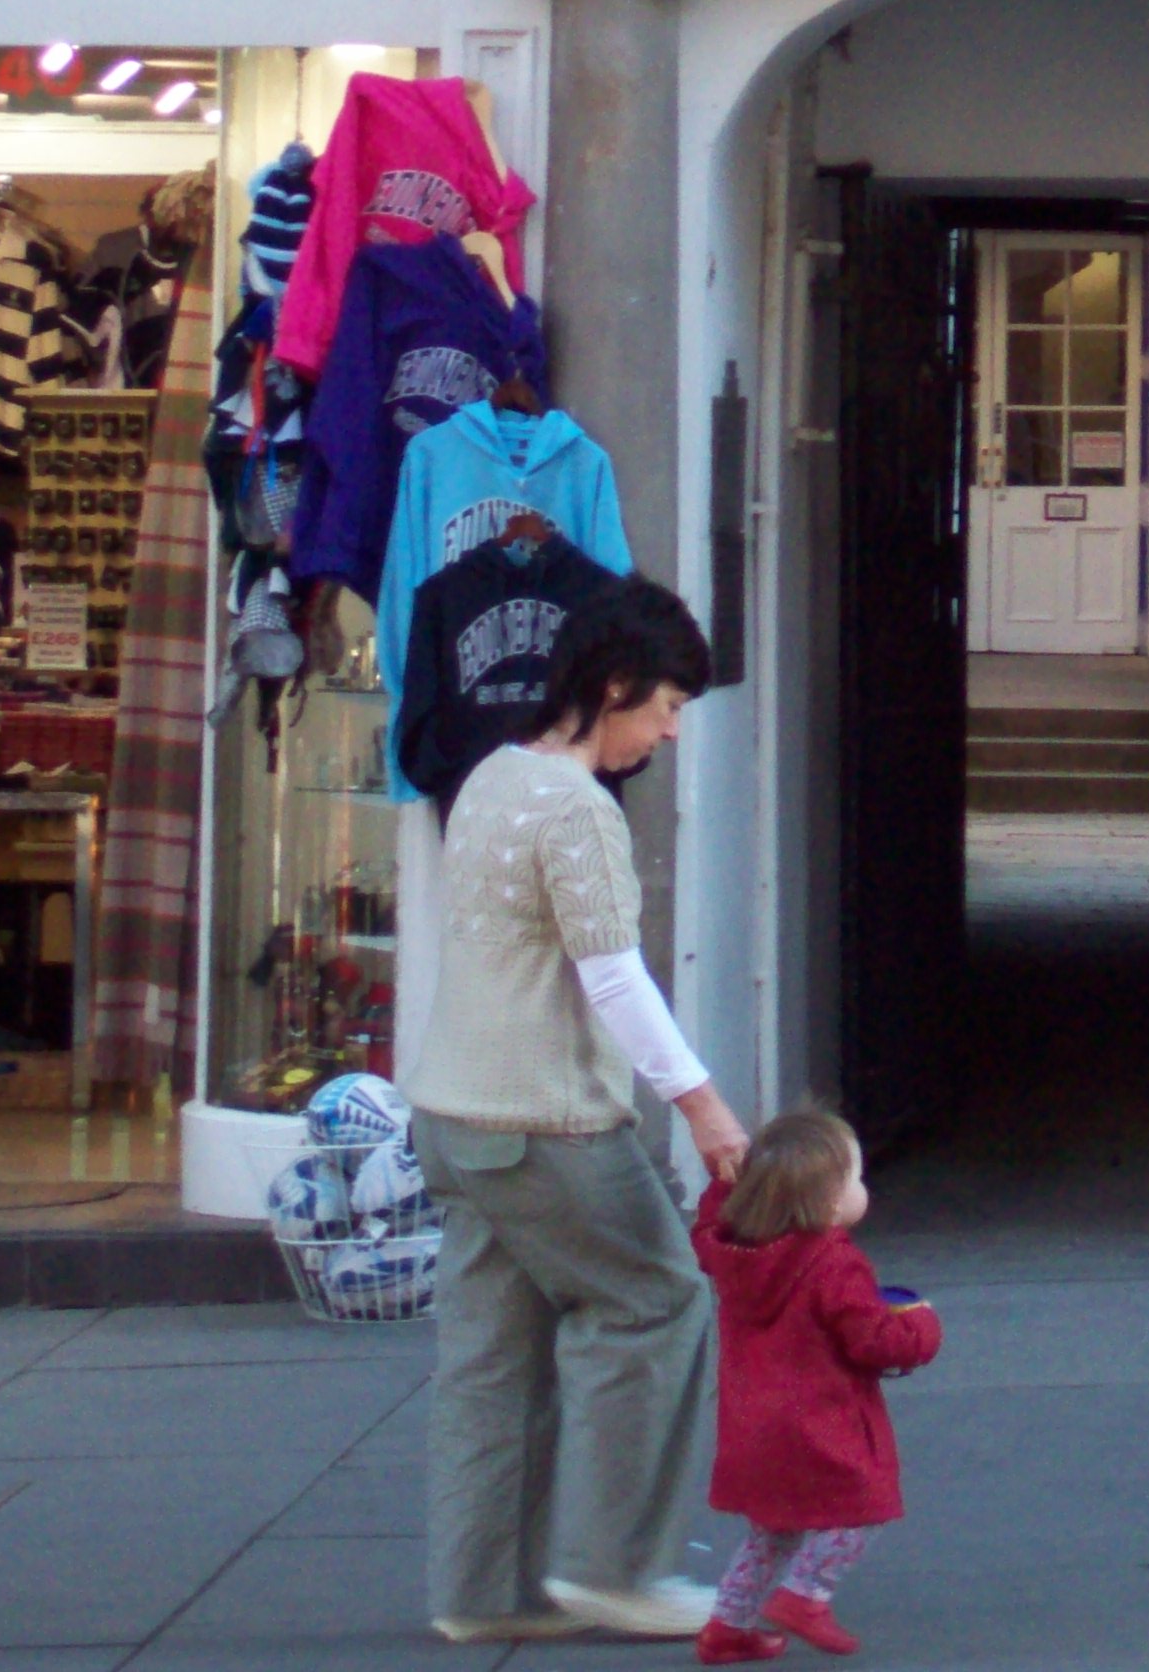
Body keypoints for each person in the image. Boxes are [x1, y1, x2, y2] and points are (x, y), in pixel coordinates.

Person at [409, 581, 749, 1644]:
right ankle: (614, 1566)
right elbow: (614, 979)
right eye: (665, 704)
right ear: (613, 682)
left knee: (489, 1357)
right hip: (548, 1121)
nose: (670, 727)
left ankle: (481, 1590)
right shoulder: (577, 808)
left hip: (454, 1117)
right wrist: (703, 1105)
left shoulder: (490, 778)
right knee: (655, 1300)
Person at [691, 1108, 943, 1662]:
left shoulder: (735, 1252)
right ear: (829, 1201)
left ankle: (727, 1626)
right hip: (819, 1419)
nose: (861, 1188)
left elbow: (708, 1226)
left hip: (751, 1423)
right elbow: (873, 1340)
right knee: (863, 1507)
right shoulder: (834, 1264)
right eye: (855, 1179)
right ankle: (805, 1595)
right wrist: (920, 1327)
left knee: (772, 1530)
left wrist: (723, 1182)